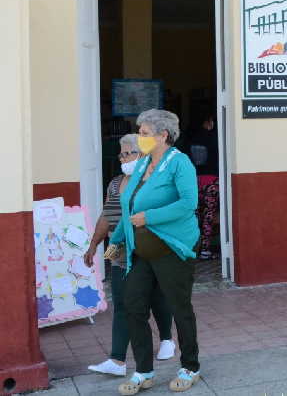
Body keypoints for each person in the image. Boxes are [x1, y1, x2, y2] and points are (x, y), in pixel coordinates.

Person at [109, 109, 201, 395]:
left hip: (172, 247)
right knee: (133, 305)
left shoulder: (180, 163)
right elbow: (129, 206)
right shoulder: (142, 163)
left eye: (145, 133)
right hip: (140, 249)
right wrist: (116, 239)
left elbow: (189, 203)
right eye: (139, 132)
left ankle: (190, 366)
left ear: (163, 135)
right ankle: (144, 371)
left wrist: (150, 218)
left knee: (178, 306)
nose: (140, 137)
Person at [84, 134, 175, 377]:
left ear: (143, 154)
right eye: (121, 154)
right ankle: (117, 360)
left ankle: (167, 338)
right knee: (122, 304)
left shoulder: (153, 182)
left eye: (129, 153)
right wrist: (94, 244)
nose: (124, 158)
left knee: (156, 298)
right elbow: (106, 215)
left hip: (148, 251)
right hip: (120, 253)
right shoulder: (114, 184)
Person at [187, 112, 220, 259]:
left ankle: (193, 248)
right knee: (208, 215)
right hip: (212, 182)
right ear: (207, 122)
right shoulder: (215, 138)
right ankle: (206, 250)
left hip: (195, 182)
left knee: (195, 216)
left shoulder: (190, 138)